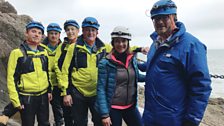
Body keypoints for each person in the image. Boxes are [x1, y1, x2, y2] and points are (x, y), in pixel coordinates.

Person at [60, 17, 148, 126]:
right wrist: (65, 93)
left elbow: (121, 46)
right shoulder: (73, 48)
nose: (90, 32)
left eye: (93, 30)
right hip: (78, 92)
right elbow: (64, 71)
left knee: (98, 122)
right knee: (80, 122)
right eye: (87, 30)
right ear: (83, 31)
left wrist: (140, 49)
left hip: (96, 93)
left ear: (97, 32)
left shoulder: (103, 47)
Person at [139, 0, 212, 126]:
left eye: (164, 17)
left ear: (174, 17)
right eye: (156, 19)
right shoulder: (155, 43)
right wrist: (130, 63)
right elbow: (152, 66)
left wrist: (192, 120)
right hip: (150, 116)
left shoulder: (191, 45)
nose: (160, 22)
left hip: (173, 119)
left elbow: (201, 86)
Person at [95, 26, 144, 126]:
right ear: (113, 43)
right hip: (113, 108)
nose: (121, 44)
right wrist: (104, 115)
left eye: (123, 41)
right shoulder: (105, 63)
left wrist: (153, 76)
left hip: (131, 106)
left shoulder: (132, 59)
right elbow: (101, 89)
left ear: (128, 42)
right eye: (117, 41)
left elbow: (136, 76)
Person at [7, 21, 52, 126]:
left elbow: (47, 73)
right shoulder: (17, 53)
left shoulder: (44, 52)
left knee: (45, 123)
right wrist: (16, 100)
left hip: (43, 96)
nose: (36, 34)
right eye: (33, 31)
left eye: (39, 33)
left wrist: (49, 90)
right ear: (26, 33)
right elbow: (11, 78)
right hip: (26, 97)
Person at [54, 19, 80, 126]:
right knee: (67, 115)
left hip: (78, 86)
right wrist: (64, 87)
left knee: (78, 116)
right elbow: (57, 65)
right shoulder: (63, 46)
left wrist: (135, 49)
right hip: (65, 85)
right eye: (68, 30)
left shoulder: (82, 44)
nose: (70, 32)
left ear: (78, 31)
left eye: (72, 29)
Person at [40, 23, 64, 126]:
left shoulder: (64, 48)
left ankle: (59, 123)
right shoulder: (41, 48)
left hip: (59, 83)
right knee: (45, 109)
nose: (53, 36)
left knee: (58, 107)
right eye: (51, 33)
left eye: (56, 33)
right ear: (47, 34)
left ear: (59, 35)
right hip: (45, 83)